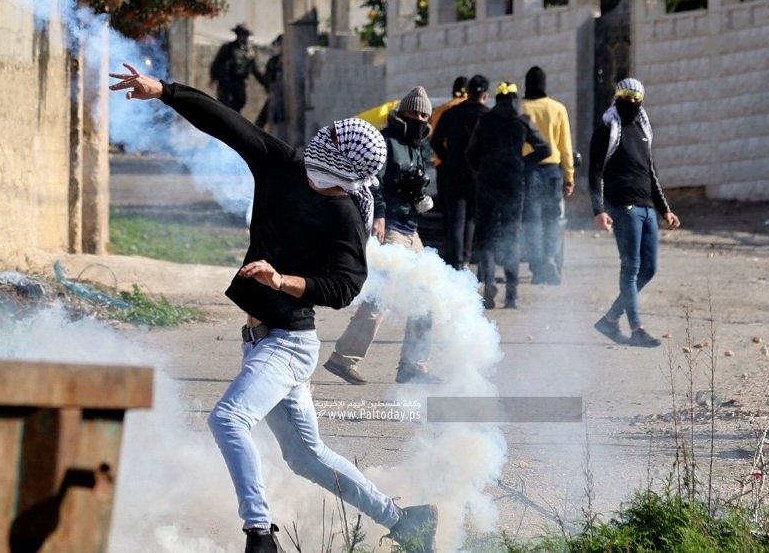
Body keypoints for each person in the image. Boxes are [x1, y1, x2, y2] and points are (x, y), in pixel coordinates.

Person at [108, 65, 438, 553]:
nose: (313, 156)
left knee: (227, 420)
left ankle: (260, 535)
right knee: (307, 458)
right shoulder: (284, 163)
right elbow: (224, 121)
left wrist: (284, 281)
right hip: (265, 339)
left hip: (289, 341)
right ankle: (406, 521)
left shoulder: (345, 215)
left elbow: (346, 287)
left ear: (347, 175)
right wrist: (164, 91)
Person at [323, 86, 441, 386]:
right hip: (391, 230)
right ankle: (343, 358)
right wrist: (379, 214)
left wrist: (419, 199)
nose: (420, 119)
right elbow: (371, 179)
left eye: (425, 115)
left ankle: (413, 365)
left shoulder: (416, 146)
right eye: (415, 113)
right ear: (403, 114)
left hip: (410, 229)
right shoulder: (386, 141)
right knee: (381, 297)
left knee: (427, 297)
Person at [589, 78, 680, 348]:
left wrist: (665, 210)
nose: (630, 102)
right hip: (622, 207)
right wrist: (599, 210)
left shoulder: (642, 130)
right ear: (617, 97)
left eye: (635, 97)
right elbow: (594, 173)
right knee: (631, 267)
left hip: (647, 208)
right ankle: (637, 328)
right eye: (625, 96)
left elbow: (650, 173)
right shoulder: (607, 130)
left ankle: (609, 320)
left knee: (649, 268)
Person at [467, 81, 551, 310]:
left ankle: (490, 282)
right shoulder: (523, 121)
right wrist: (522, 163)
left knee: (486, 236)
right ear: (516, 99)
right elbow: (546, 149)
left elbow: (470, 153)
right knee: (511, 236)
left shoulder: (485, 121)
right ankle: (512, 295)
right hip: (514, 185)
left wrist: (483, 170)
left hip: (487, 184)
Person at [521, 66, 575, 285]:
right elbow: (566, 147)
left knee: (531, 221)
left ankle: (536, 266)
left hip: (527, 170)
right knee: (552, 219)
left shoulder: (519, 107)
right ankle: (549, 257)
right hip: (552, 171)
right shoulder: (558, 108)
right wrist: (569, 176)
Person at [431, 75, 489, 270]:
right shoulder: (487, 116)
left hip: (453, 173)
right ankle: (467, 257)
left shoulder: (450, 114)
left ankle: (457, 262)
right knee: (472, 218)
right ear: (485, 95)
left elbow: (436, 141)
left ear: (469, 92)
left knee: (456, 219)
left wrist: (447, 159)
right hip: (478, 175)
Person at [209, 24, 265, 113]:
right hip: (226, 81)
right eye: (244, 36)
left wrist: (266, 83)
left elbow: (254, 70)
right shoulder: (228, 48)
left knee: (240, 101)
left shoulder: (249, 52)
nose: (246, 39)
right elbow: (217, 62)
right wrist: (212, 77)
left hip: (239, 81)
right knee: (224, 105)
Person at [254, 34, 284, 132]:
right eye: (278, 45)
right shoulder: (273, 61)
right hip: (274, 95)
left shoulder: (289, 60)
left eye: (281, 44)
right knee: (264, 118)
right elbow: (267, 79)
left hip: (287, 96)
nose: (280, 47)